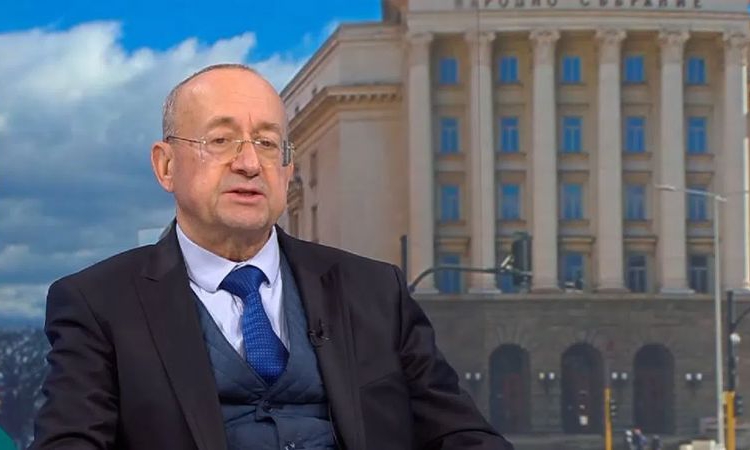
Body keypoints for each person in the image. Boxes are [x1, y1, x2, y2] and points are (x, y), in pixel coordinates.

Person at [30, 64, 512, 450]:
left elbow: (461, 434)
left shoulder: (374, 291)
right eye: (220, 141)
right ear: (166, 165)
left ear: (286, 169)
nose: (248, 163)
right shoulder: (98, 304)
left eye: (266, 143)